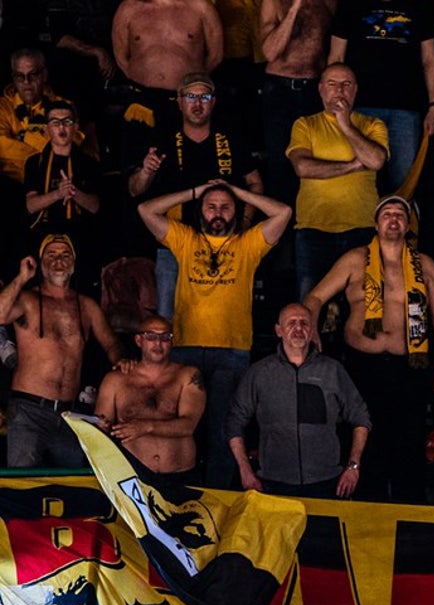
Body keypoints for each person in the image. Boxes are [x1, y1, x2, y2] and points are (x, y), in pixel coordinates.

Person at [138, 180, 293, 487]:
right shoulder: (185, 239)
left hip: (231, 353)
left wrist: (237, 192)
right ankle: (178, 495)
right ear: (200, 212)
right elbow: (146, 209)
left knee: (224, 433)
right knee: (180, 428)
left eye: (225, 206)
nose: (218, 212)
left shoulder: (247, 244)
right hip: (185, 350)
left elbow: (284, 212)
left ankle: (217, 500)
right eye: (211, 207)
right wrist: (194, 191)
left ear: (237, 211)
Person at [303, 195, 434, 503]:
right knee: (363, 438)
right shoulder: (355, 259)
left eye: (400, 214)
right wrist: (312, 331)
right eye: (387, 214)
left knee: (408, 442)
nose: (394, 219)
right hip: (362, 366)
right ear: (375, 223)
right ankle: (365, 517)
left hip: (408, 364)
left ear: (408, 224)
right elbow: (314, 299)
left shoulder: (423, 264)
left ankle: (408, 519)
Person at [129, 72, 264, 319]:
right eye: (191, 96)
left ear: (213, 102)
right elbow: (135, 190)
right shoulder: (163, 138)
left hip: (222, 243)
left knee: (222, 317)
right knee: (168, 318)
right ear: (179, 102)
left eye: (205, 96)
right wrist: (146, 172)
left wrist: (244, 224)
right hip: (175, 243)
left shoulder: (231, 139)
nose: (198, 103)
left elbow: (255, 183)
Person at [0, 236, 122, 467]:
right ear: (40, 261)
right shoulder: (27, 298)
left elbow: (112, 344)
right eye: (51, 254)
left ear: (74, 263)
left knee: (70, 486)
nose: (59, 260)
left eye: (65, 255)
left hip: (69, 413)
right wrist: (21, 278)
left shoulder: (86, 305)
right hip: (29, 411)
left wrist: (122, 361)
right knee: (23, 489)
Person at [227, 304, 371, 499]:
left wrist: (353, 466)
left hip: (327, 482)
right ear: (279, 330)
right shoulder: (260, 373)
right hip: (273, 483)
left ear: (312, 330)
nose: (298, 328)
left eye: (304, 323)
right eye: (291, 323)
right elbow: (234, 422)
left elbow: (361, 417)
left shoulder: (332, 370)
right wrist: (245, 470)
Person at [288, 62, 389, 299]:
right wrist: (353, 165)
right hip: (313, 228)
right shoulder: (305, 124)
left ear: (355, 90)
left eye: (346, 85)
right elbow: (302, 167)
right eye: (332, 85)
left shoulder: (372, 124)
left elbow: (375, 160)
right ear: (321, 89)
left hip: (361, 227)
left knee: (362, 306)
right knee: (311, 304)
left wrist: (344, 124)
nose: (339, 91)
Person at [329, 0, 434, 193]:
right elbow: (336, 58)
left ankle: (398, 222)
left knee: (403, 182)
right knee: (359, 178)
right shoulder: (351, 5)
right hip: (360, 105)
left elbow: (429, 60)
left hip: (406, 107)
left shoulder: (420, 5)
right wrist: (333, 101)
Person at [95, 315, 206, 480]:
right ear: (139, 340)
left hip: (180, 474)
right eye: (151, 337)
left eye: (165, 337)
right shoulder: (115, 379)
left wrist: (145, 427)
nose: (158, 343)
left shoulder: (187, 375)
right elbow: (99, 431)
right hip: (131, 475)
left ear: (172, 342)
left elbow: (188, 425)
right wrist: (105, 426)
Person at [259, 0, 337, 202]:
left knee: (316, 158)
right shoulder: (274, 2)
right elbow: (269, 52)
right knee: (279, 163)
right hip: (279, 89)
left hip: (314, 89)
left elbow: (335, 44)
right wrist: (295, 8)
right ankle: (282, 227)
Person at [111, 0, 223, 141]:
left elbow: (216, 56)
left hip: (189, 100)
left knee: (190, 156)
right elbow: (121, 58)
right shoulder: (129, 8)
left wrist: (195, 84)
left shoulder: (201, 7)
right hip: (141, 101)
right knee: (142, 158)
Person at [23, 101, 100, 250]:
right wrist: (58, 193)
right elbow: (30, 205)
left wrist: (74, 192)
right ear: (46, 129)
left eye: (67, 122)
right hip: (42, 232)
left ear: (76, 127)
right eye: (55, 122)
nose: (61, 127)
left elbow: (95, 206)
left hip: (80, 233)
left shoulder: (89, 163)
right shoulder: (34, 162)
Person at [1, 48, 81, 183]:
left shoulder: (65, 106)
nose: (26, 82)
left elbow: (71, 145)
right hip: (13, 185)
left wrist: (23, 137)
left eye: (33, 74)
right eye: (20, 76)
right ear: (13, 78)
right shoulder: (3, 107)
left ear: (44, 75)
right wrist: (47, 158)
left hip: (57, 184)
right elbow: (2, 147)